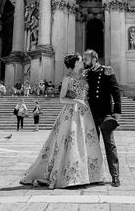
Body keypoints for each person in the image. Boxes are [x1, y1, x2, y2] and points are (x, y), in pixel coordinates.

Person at [20, 54, 103, 189]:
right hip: (72, 112)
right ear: (75, 63)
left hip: (85, 114)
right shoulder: (67, 78)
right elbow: (62, 98)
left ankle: (91, 175)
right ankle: (70, 176)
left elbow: (97, 70)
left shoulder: (83, 76)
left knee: (86, 142)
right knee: (71, 142)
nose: (82, 62)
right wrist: (76, 101)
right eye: (80, 60)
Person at [83, 49, 122, 187]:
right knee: (91, 145)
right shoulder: (85, 74)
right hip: (90, 115)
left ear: (94, 59)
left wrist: (117, 110)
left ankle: (115, 176)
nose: (84, 62)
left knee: (110, 145)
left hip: (105, 114)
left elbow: (115, 90)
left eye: (86, 59)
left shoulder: (107, 71)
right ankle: (93, 174)